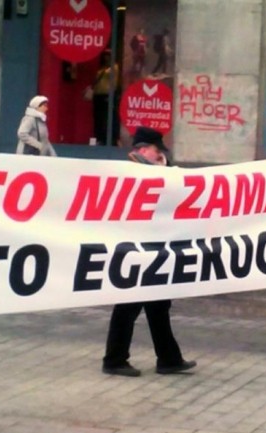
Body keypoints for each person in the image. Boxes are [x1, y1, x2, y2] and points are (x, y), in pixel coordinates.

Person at [102, 127, 196, 377]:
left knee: (159, 305)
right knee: (128, 306)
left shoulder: (155, 170)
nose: (160, 155)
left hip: (154, 246)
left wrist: (164, 166)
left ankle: (168, 358)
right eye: (156, 150)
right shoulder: (132, 172)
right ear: (143, 150)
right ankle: (114, 360)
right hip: (136, 248)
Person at [91, 51, 120, 146]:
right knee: (98, 117)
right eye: (105, 56)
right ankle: (99, 138)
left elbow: (111, 75)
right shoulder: (102, 68)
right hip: (98, 94)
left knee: (107, 117)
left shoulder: (114, 67)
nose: (106, 58)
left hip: (107, 94)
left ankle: (109, 139)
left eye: (108, 56)